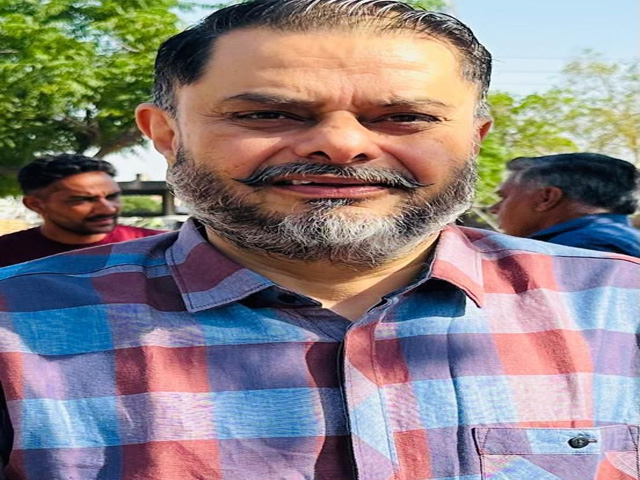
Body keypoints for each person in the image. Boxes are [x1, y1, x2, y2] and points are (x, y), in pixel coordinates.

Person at [0, 1, 638, 479]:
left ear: (473, 138)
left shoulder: (621, 306)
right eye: (268, 114)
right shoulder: (13, 328)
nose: (342, 144)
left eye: (405, 117)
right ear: (166, 135)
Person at [0, 154, 165, 267]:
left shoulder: (161, 248)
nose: (107, 208)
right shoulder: (7, 254)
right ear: (35, 205)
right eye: (84, 200)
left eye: (112, 196)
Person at [490, 153, 640, 256]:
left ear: (546, 198)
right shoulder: (617, 240)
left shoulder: (581, 249)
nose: (493, 209)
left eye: (504, 197)